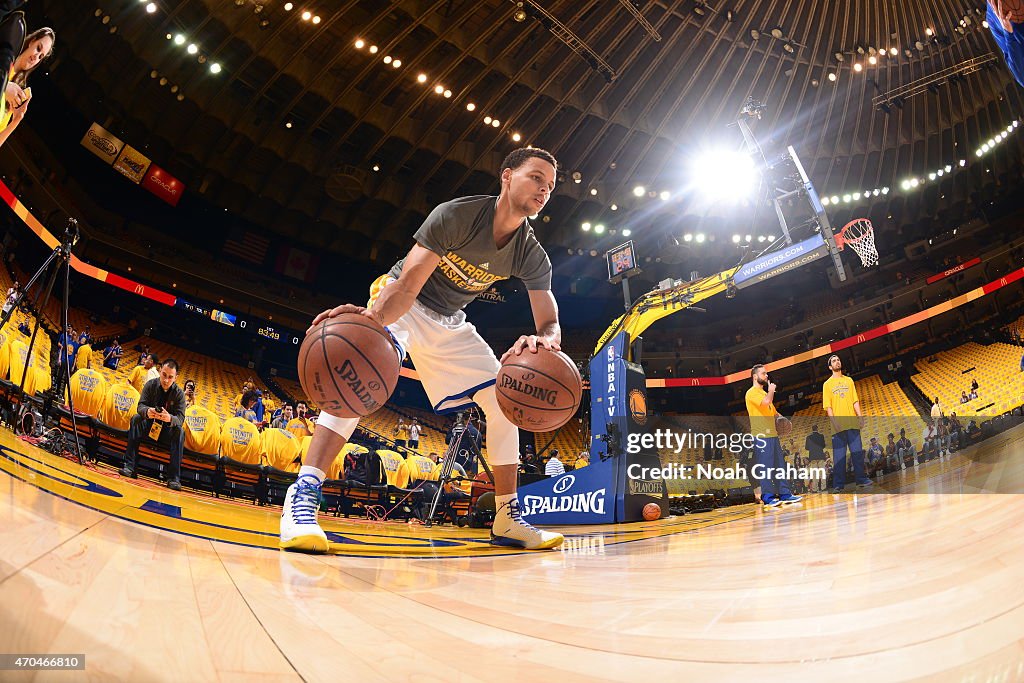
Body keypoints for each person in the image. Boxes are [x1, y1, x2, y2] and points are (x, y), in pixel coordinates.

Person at [280, 147, 565, 552]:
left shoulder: (531, 252)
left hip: (450, 321)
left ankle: (507, 516)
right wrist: (370, 321)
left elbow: (548, 319)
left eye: (550, 186)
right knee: (363, 371)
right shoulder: (457, 215)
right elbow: (409, 284)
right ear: (506, 176)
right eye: (536, 177)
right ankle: (303, 495)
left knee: (504, 399)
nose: (544, 190)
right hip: (402, 299)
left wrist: (546, 341)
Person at [120, 359, 187, 491]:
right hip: (148, 426)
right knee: (136, 419)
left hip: (166, 432)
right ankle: (129, 467)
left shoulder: (179, 394)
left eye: (170, 377)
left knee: (180, 431)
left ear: (176, 377)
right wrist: (147, 412)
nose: (166, 380)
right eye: (164, 375)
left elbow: (180, 418)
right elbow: (140, 406)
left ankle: (174, 478)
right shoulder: (150, 385)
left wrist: (169, 418)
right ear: (160, 370)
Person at [745, 364, 801, 509]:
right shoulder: (751, 393)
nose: (766, 376)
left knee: (779, 467)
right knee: (766, 468)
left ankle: (785, 494)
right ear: (755, 377)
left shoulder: (764, 393)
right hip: (761, 437)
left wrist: (785, 421)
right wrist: (771, 391)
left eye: (766, 373)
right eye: (763, 374)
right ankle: (768, 497)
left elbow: (774, 413)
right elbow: (765, 404)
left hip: (773, 435)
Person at [0, 27, 55, 149]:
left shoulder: (18, 93)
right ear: (32, 41)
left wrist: (16, 121)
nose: (36, 57)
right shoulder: (3, 57)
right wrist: (3, 87)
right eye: (38, 48)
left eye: (41, 56)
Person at [822, 355, 871, 492]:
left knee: (857, 453)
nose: (837, 361)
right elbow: (828, 407)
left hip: (852, 423)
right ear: (830, 367)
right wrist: (834, 422)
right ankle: (838, 485)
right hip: (838, 427)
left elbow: (855, 400)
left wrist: (860, 416)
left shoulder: (849, 381)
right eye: (834, 361)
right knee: (839, 457)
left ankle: (861, 480)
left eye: (838, 359)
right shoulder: (827, 384)